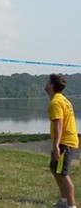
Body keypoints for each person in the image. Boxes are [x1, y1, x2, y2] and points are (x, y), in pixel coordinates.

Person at [45, 74, 79, 208]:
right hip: (66, 141)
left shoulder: (56, 102)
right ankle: (64, 201)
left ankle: (71, 205)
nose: (46, 84)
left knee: (62, 174)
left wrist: (56, 146)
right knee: (55, 170)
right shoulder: (63, 100)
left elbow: (58, 124)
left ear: (52, 85)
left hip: (64, 142)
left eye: (48, 81)